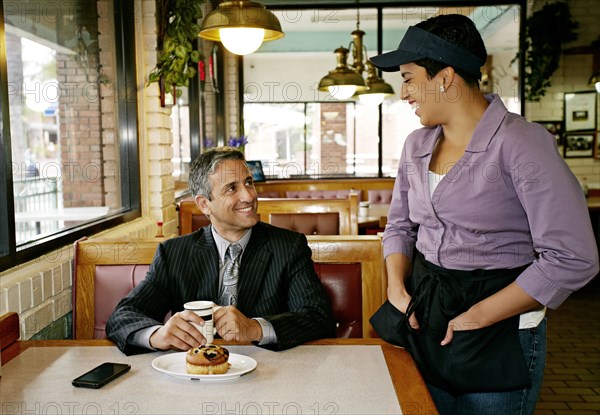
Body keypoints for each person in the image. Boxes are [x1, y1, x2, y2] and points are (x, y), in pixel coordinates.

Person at [368, 14, 599, 415]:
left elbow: (573, 256)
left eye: (408, 77)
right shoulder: (416, 145)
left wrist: (480, 314)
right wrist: (394, 287)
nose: (404, 92)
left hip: (500, 329)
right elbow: (400, 227)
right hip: (428, 317)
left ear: (445, 76)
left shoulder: (522, 143)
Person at [106, 147, 335, 355]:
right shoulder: (174, 253)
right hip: (194, 378)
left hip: (267, 379)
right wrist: (157, 335)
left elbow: (318, 316)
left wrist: (255, 328)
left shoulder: (288, 246)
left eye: (248, 183)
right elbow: (122, 316)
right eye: (232, 188)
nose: (249, 196)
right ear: (204, 204)